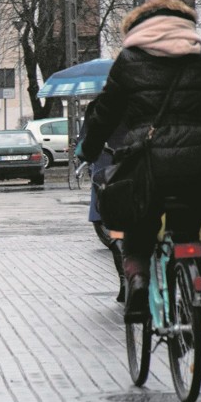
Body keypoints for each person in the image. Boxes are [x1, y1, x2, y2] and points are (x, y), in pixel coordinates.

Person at [76, 0, 201, 323]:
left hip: (146, 162)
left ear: (139, 25)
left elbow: (105, 114)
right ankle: (192, 292)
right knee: (187, 231)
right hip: (198, 162)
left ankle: (137, 281)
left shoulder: (130, 60)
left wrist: (88, 149)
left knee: (139, 228)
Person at [79, 100, 128, 303]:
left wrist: (86, 153)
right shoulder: (140, 101)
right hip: (141, 173)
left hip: (107, 177)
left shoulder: (98, 107)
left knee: (117, 230)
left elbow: (85, 143)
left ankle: (126, 280)